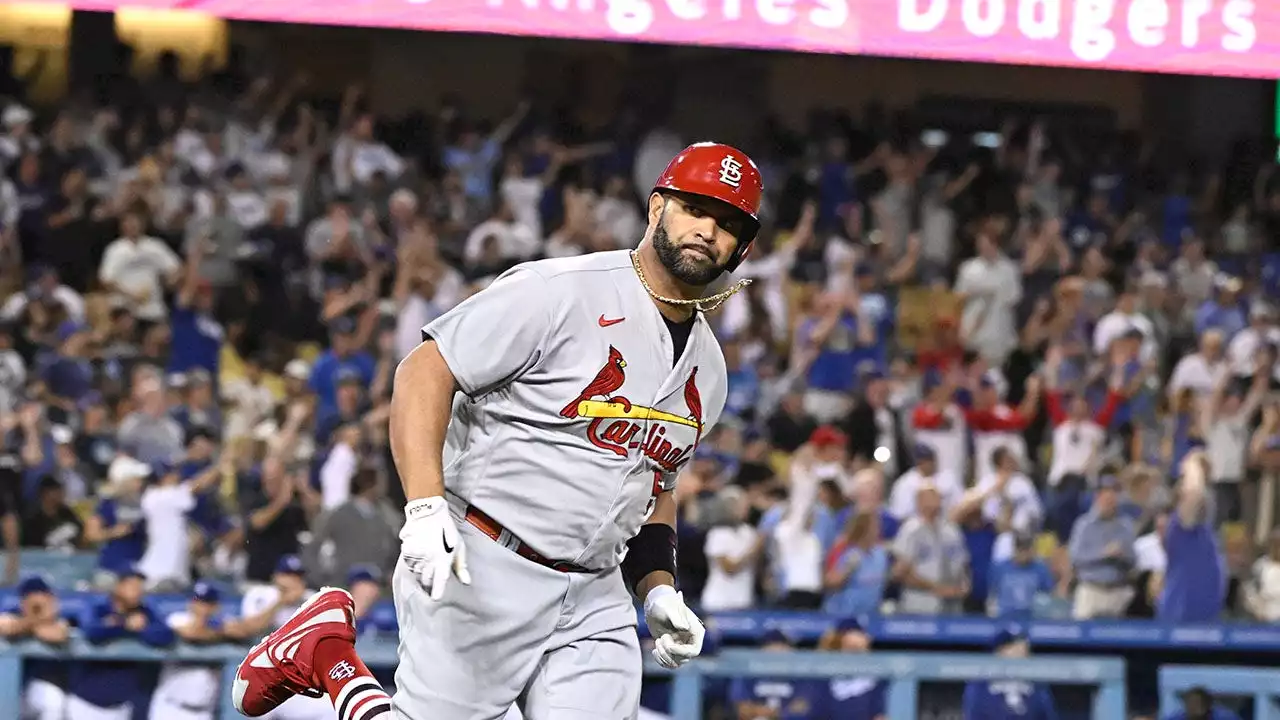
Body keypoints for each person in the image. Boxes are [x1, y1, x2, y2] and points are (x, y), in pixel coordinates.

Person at [232, 142, 763, 720]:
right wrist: (424, 507)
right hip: (484, 558)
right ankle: (328, 656)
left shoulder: (710, 370)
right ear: (657, 207)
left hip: (595, 594)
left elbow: (654, 484)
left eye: (728, 223)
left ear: (743, 247)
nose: (708, 230)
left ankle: (328, 654)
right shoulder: (561, 290)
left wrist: (657, 586)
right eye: (696, 209)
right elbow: (422, 373)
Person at [961, 626, 1058, 719]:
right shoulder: (980, 685)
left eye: (1024, 649)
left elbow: (1046, 715)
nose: (1022, 653)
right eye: (1014, 648)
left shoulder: (1037, 685)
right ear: (999, 652)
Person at [1161, 686, 1241, 720]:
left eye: (1198, 703)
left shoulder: (1225, 717)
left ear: (1208, 704)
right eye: (1191, 703)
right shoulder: (1176, 718)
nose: (1194, 707)